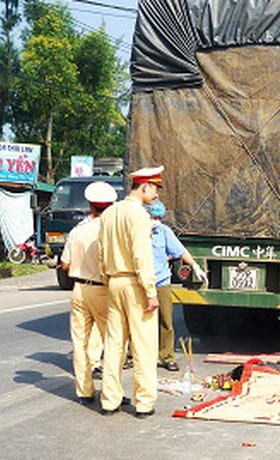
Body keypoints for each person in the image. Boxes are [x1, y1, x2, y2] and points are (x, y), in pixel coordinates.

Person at [98, 166, 162, 418]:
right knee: (144, 345)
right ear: (144, 186)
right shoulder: (139, 214)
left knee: (114, 344)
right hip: (135, 283)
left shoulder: (110, 212)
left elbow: (102, 251)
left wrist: (107, 278)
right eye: (155, 189)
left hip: (114, 281)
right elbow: (141, 255)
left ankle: (109, 399)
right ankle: (144, 402)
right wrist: (150, 290)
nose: (156, 195)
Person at [60, 181, 118, 406]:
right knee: (113, 343)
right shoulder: (110, 231)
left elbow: (65, 264)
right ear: (111, 206)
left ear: (90, 206)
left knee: (81, 342)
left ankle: (84, 391)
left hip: (79, 290)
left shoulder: (77, 231)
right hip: (104, 290)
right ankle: (110, 392)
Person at [145, 199, 208, 372]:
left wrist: (195, 266)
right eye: (152, 216)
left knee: (166, 321)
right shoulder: (136, 233)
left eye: (158, 217)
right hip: (140, 283)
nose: (155, 221)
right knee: (138, 322)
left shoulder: (164, 232)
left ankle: (166, 356)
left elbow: (179, 251)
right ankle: (133, 355)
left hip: (161, 282)